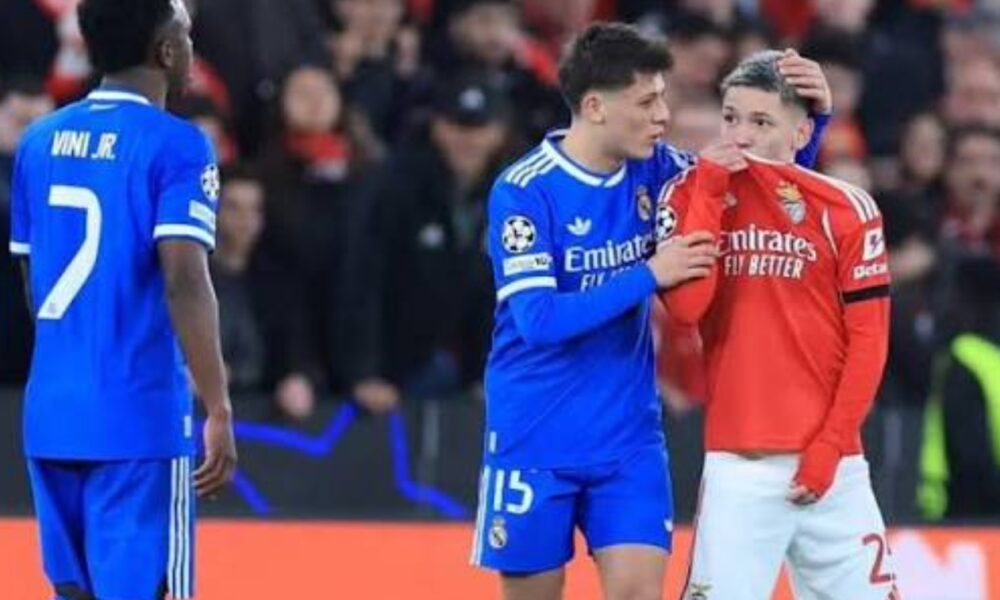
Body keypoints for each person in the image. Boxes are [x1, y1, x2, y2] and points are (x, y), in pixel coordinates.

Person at [470, 23, 830, 600]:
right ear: (595, 106)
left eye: (663, 97)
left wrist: (813, 122)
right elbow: (538, 321)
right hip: (535, 436)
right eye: (646, 102)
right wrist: (649, 274)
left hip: (628, 440)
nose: (664, 114)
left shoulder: (658, 169)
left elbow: (764, 196)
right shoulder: (525, 190)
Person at [8, 1, 237, 598]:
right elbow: (185, 279)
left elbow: (33, 278)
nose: (191, 46)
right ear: (166, 49)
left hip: (53, 414)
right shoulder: (179, 146)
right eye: (185, 33)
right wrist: (217, 406)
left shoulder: (38, 141)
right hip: (139, 417)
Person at [658, 50, 899, 599]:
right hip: (739, 468)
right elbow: (687, 309)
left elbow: (869, 342)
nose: (740, 135)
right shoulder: (688, 194)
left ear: (801, 133)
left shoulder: (847, 208)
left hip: (835, 467)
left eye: (761, 122)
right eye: (731, 117)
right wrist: (710, 192)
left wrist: (830, 448)